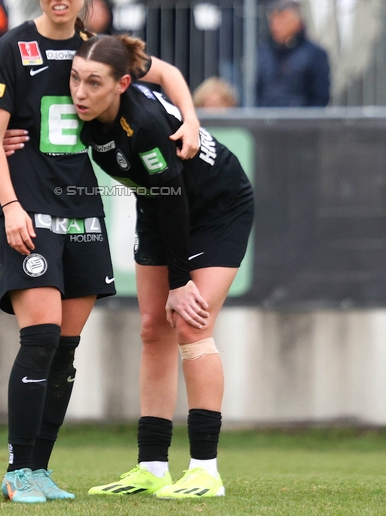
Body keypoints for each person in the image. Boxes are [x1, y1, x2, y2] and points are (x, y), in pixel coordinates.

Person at [0, 0, 200, 504]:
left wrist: (192, 123)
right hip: (28, 208)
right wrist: (9, 207)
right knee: (41, 336)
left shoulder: (100, 50)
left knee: (67, 348)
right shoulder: (12, 47)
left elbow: (169, 75)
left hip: (82, 210)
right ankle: (15, 470)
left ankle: (40, 469)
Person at [73, 35, 254, 500]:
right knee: (154, 329)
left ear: (122, 84)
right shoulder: (93, 79)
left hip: (216, 207)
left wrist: (179, 283)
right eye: (76, 79)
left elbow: (176, 203)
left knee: (191, 323)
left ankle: (205, 471)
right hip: (156, 204)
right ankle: (152, 466)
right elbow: (170, 72)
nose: (80, 91)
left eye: (94, 83)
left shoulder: (147, 125)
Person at [257, 0, 331, 107]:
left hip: (300, 121)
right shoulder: (263, 52)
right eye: (273, 21)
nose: (275, 26)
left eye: (281, 20)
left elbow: (320, 95)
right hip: (265, 120)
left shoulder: (314, 54)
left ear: (297, 22)